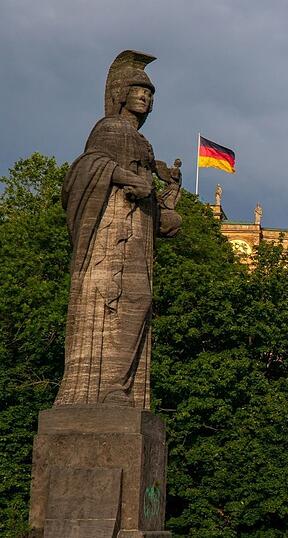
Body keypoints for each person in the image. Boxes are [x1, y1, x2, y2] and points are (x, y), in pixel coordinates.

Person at [55, 50, 181, 408]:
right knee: (112, 302)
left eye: (151, 92)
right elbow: (85, 169)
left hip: (138, 240)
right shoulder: (109, 129)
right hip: (110, 235)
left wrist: (167, 199)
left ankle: (118, 388)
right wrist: (127, 177)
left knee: (139, 301)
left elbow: (159, 217)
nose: (146, 96)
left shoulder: (144, 143)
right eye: (139, 88)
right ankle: (105, 390)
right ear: (120, 92)